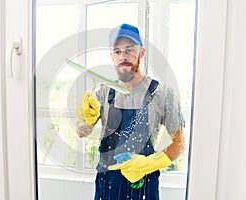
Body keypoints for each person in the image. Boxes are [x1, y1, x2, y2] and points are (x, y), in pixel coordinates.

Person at [76, 23, 185, 200]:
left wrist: (150, 163)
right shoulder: (103, 91)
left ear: (141, 52)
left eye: (129, 50)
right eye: (117, 51)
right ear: (112, 55)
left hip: (143, 185)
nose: (123, 56)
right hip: (107, 184)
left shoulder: (161, 93)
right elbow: (82, 132)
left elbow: (179, 144)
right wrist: (85, 118)